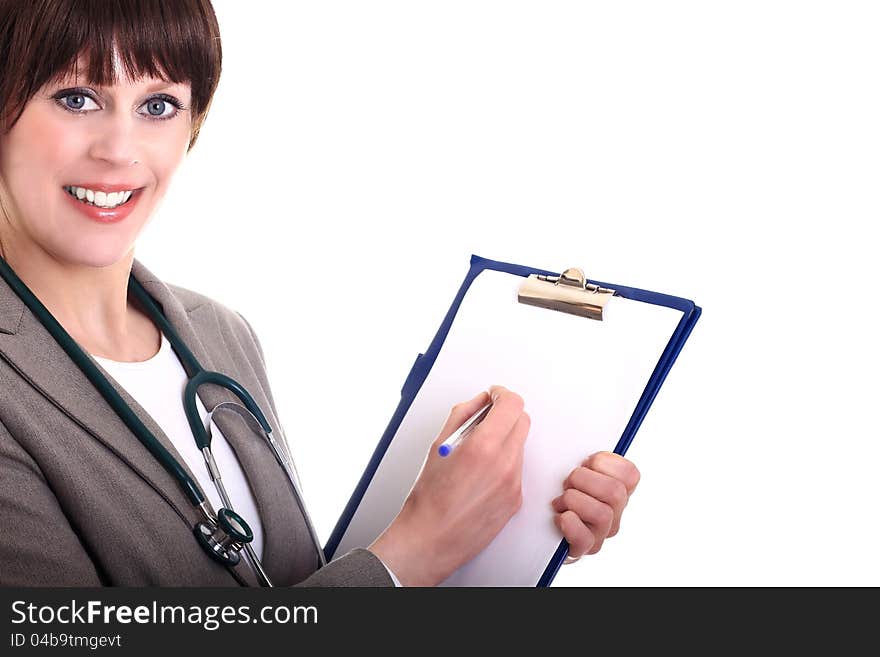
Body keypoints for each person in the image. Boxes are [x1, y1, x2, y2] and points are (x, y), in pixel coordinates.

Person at [0, 0, 640, 587]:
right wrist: (414, 552)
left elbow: (285, 590)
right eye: (77, 98)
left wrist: (498, 523)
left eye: (158, 105)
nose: (119, 150)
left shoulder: (217, 333)